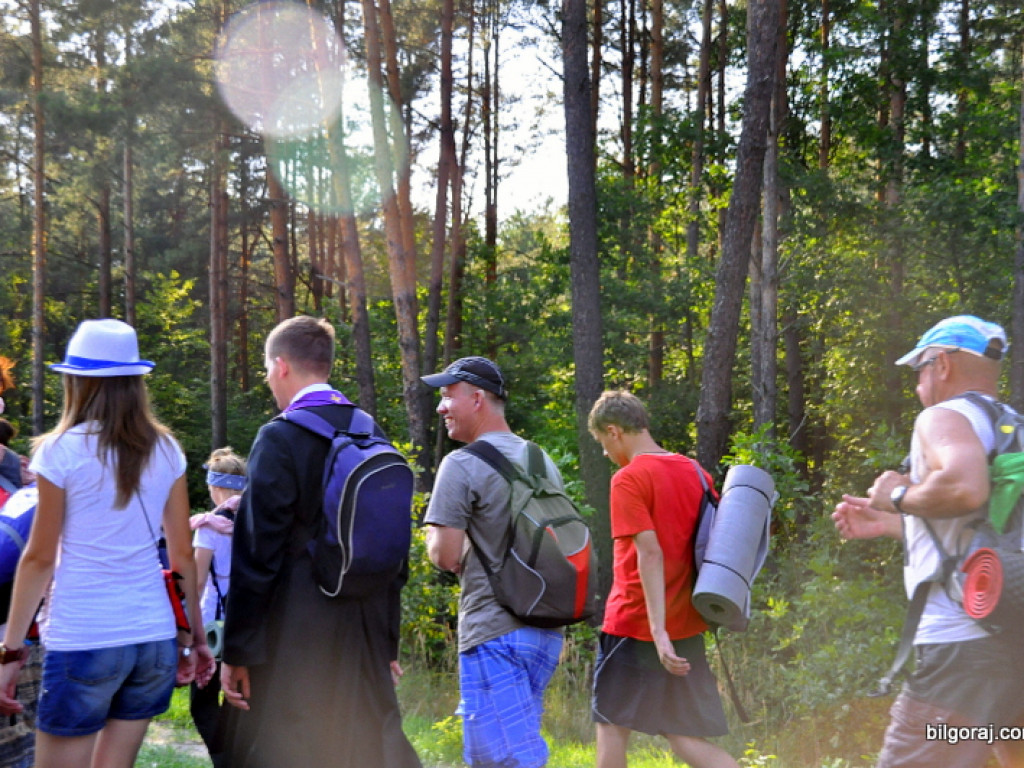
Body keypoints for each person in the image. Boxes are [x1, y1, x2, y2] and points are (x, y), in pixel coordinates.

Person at [0, 318, 215, 768]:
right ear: (136, 382)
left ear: (76, 382)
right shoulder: (166, 449)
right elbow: (181, 556)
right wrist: (197, 637)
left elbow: (39, 557)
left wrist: (11, 651)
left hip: (85, 636)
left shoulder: (59, 451)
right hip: (153, 641)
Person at [219, 315, 421, 768]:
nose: (269, 380)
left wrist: (237, 650)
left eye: (268, 371)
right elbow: (393, 549)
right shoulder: (371, 432)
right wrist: (387, 642)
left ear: (282, 365)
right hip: (365, 624)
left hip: (297, 628)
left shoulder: (280, 437)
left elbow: (257, 554)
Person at [832, 314, 1024, 768]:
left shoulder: (944, 416)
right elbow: (988, 532)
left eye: (920, 366)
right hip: (1011, 638)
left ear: (942, 365)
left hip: (962, 649)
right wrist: (890, 524)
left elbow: (965, 488)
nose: (918, 378)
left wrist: (896, 495)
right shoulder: (1011, 425)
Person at [422, 356, 564, 768]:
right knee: (506, 749)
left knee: (507, 758)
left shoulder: (462, 464)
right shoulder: (539, 459)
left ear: (477, 398)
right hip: (544, 630)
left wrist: (440, 537)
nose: (441, 407)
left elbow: (444, 555)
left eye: (448, 397)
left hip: (493, 629)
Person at [586, 390, 739, 768]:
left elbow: (650, 553)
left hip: (635, 624)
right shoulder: (694, 471)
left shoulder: (629, 478)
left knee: (610, 725)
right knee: (684, 734)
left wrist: (658, 632)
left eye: (603, 443)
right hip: (686, 623)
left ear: (614, 431)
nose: (606, 453)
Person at [189, 447, 246, 768]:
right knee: (236, 699)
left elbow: (196, 583)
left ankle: (226, 762)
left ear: (216, 486)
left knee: (202, 703)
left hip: (213, 627)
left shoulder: (209, 527)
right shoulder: (256, 521)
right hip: (248, 623)